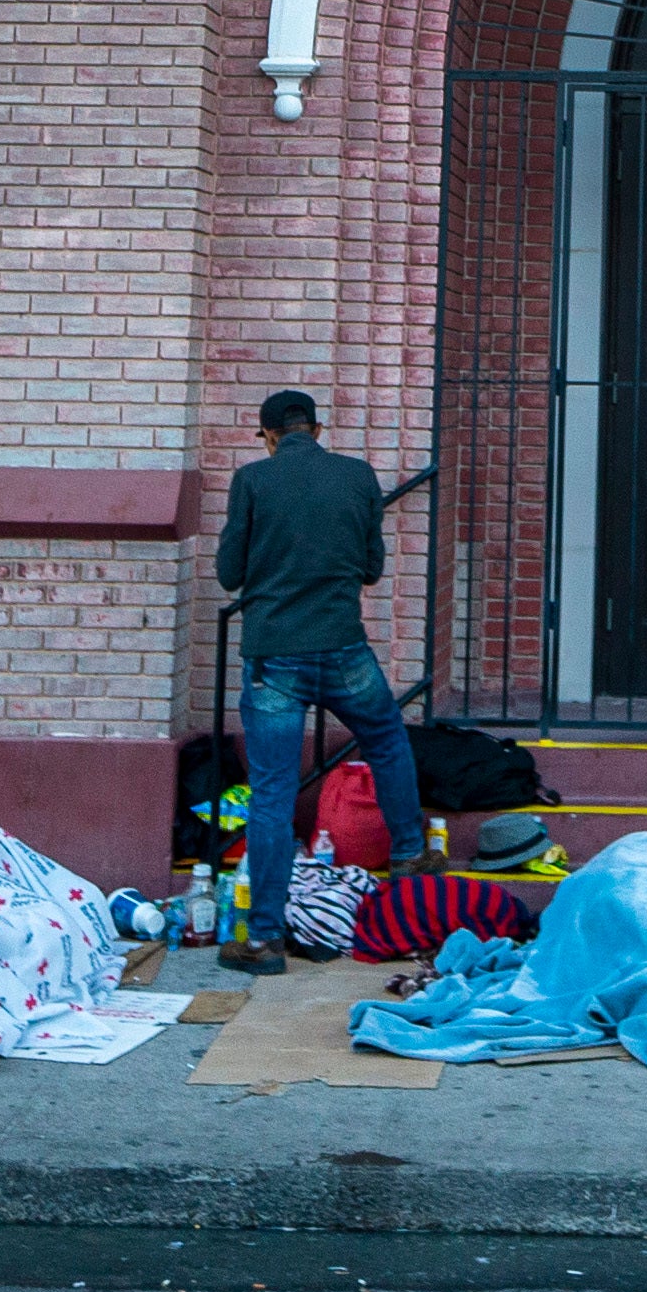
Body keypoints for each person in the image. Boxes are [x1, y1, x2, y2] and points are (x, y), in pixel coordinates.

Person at [214, 386, 425, 976]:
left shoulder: (253, 481)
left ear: (271, 436)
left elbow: (230, 574)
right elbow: (373, 568)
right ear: (318, 428)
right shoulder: (358, 476)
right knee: (386, 739)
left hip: (276, 654)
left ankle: (264, 941)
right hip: (342, 647)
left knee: (274, 794)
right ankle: (408, 853)